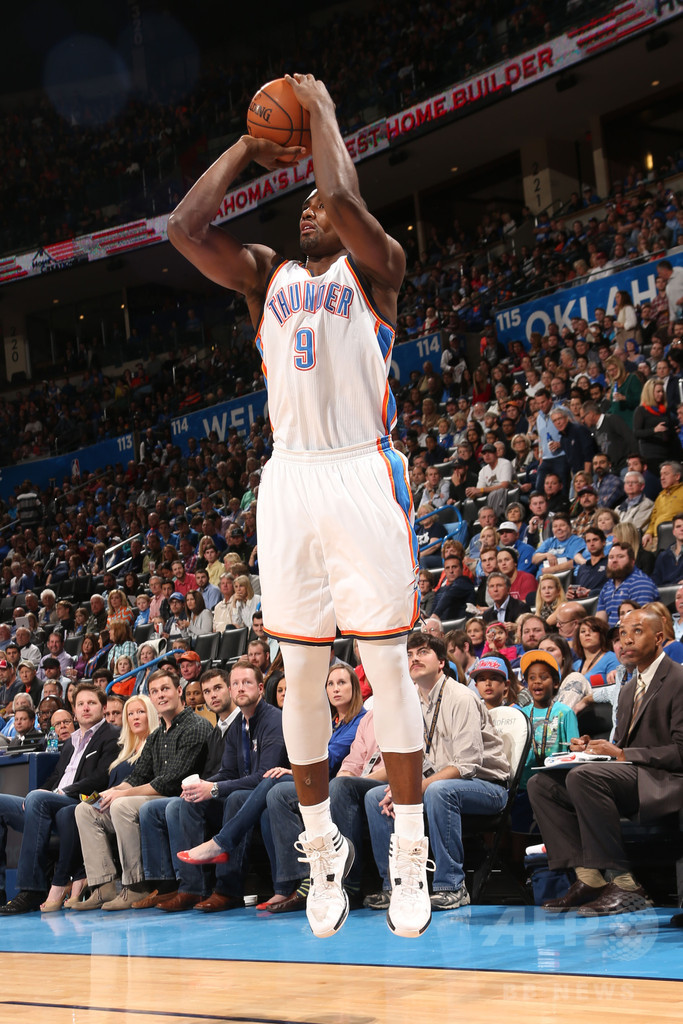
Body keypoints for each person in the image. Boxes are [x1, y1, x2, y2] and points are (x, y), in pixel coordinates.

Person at [169, 72, 430, 940]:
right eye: (305, 205)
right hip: (288, 481)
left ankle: (409, 846)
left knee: (385, 664)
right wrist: (249, 143)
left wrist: (319, 110)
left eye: (322, 201)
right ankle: (321, 849)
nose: (312, 209)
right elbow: (184, 230)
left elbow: (345, 198)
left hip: (360, 470)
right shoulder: (265, 278)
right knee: (303, 674)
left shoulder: (378, 269)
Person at [529, 608, 683, 917]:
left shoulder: (679, 679)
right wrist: (591, 749)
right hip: (630, 778)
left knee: (584, 777)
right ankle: (590, 879)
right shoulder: (627, 690)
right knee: (541, 784)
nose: (626, 640)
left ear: (659, 638)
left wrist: (623, 755)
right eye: (622, 633)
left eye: (636, 631)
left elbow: (679, 751)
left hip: (666, 780)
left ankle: (625, 885)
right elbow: (621, 748)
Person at [363, 633, 509, 914]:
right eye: (409, 654)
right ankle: (395, 885)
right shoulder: (411, 702)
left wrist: (414, 789)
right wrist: (399, 787)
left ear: (442, 662)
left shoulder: (461, 697)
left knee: (439, 791)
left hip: (487, 786)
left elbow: (466, 766)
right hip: (439, 783)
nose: (414, 658)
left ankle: (452, 886)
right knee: (374, 797)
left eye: (423, 652)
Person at [72, 667, 213, 911]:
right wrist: (111, 791)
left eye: (165, 689)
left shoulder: (196, 726)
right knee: (85, 810)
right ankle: (103, 886)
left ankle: (135, 886)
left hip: (179, 796)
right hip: (154, 797)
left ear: (179, 691)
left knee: (122, 805)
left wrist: (121, 794)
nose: (160, 695)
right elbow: (138, 776)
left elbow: (171, 781)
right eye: (154, 691)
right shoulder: (156, 736)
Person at [0, 684, 119, 913]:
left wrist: (61, 792)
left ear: (103, 707)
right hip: (50, 803)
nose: (85, 708)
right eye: (81, 704)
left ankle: (31, 890)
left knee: (38, 799)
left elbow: (101, 777)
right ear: (74, 711)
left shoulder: (111, 735)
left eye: (91, 703)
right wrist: (35, 795)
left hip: (80, 802)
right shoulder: (71, 741)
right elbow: (56, 777)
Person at [596, 542, 660, 626]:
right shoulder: (607, 586)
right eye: (611, 557)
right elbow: (600, 623)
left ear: (632, 561)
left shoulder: (640, 583)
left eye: (620, 556)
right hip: (613, 633)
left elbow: (641, 623)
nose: (614, 560)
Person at [633, 378, 681, 472]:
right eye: (658, 391)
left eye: (662, 391)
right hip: (651, 455)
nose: (661, 394)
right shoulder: (641, 410)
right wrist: (654, 430)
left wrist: (673, 430)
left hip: (667, 453)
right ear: (650, 393)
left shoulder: (665, 411)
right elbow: (636, 433)